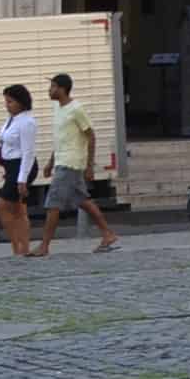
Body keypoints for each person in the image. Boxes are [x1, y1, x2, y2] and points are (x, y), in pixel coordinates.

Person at [35, 69, 118, 255]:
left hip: (71, 163)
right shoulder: (58, 108)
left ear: (62, 89)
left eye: (53, 86)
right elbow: (61, 139)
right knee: (83, 201)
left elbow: (91, 136)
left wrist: (90, 165)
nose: (49, 90)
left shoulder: (76, 109)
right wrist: (50, 162)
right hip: (61, 161)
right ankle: (108, 233)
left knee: (53, 203)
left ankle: (44, 246)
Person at [0, 83, 41, 258]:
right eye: (6, 101)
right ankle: (22, 248)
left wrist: (22, 179)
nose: (7, 105)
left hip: (22, 166)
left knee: (2, 207)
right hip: (11, 166)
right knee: (18, 209)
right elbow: (5, 142)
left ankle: (18, 246)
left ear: (21, 102)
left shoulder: (27, 122)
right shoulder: (12, 119)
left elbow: (28, 152)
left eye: (10, 102)